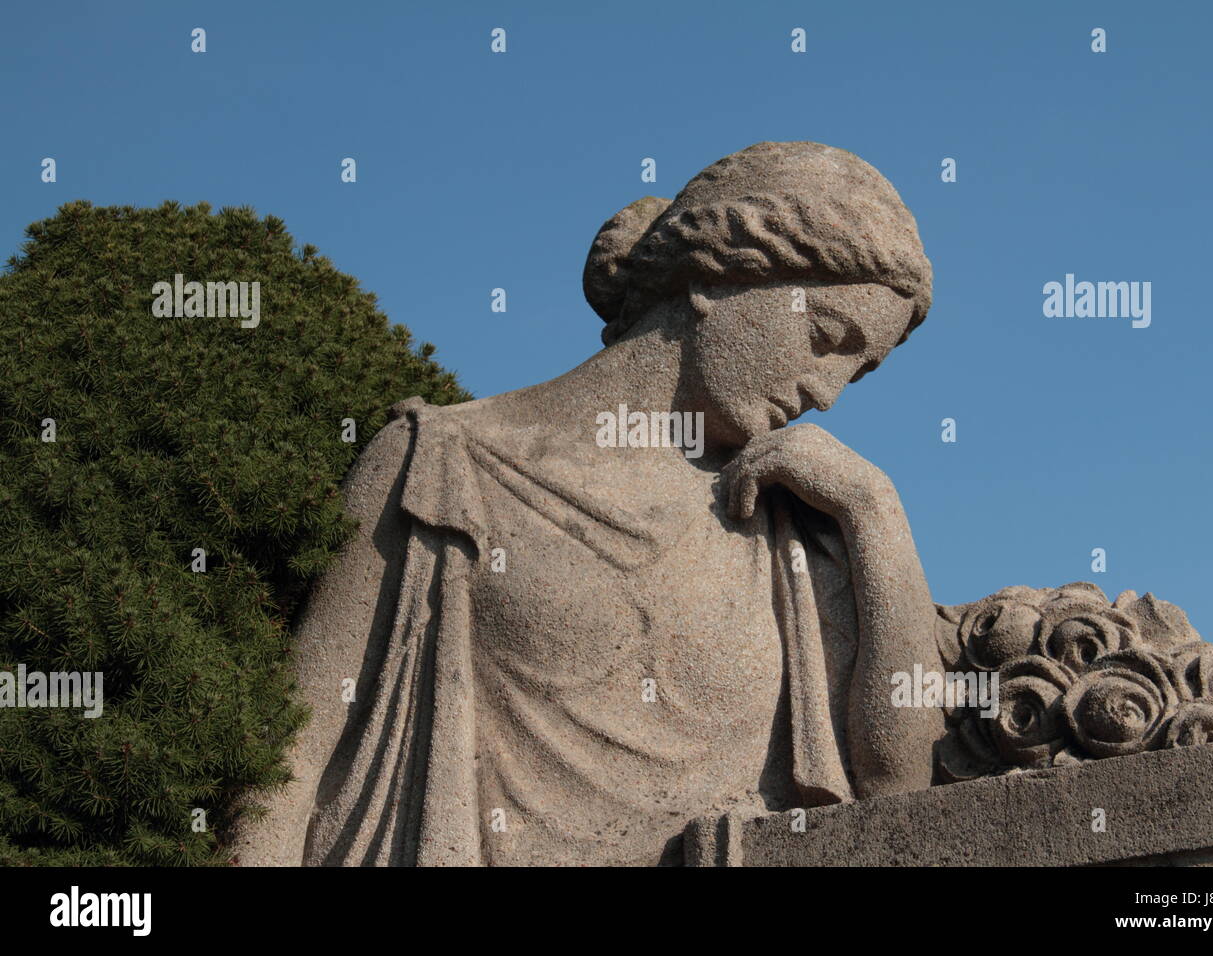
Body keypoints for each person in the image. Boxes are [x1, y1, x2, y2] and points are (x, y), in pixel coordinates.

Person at [230, 141, 945, 866]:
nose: (824, 392)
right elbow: (294, 757)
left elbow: (897, 788)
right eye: (825, 339)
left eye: (854, 376)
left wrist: (874, 512)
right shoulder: (439, 464)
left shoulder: (789, 523)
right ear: (721, 274)